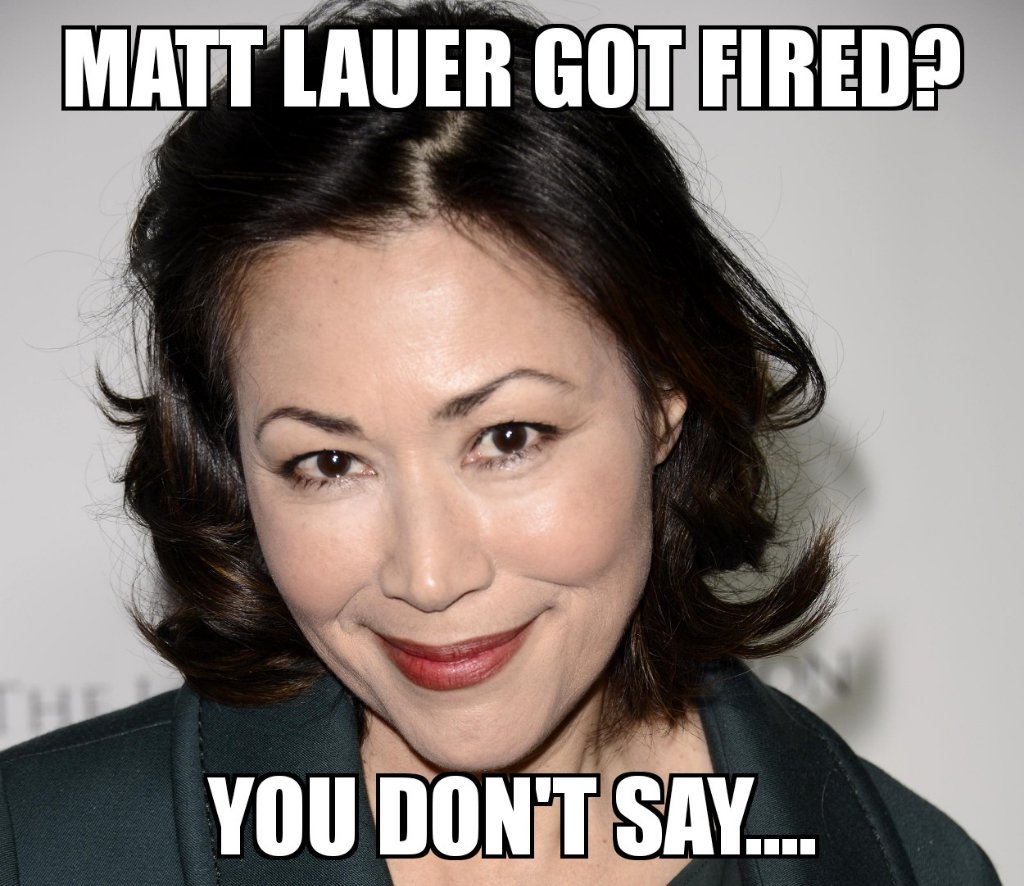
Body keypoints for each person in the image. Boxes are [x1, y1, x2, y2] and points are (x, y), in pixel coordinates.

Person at [0, 1, 999, 883]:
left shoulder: (915, 869)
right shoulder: (39, 848)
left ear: (665, 395)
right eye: (329, 463)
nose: (430, 577)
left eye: (508, 437)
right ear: (231, 462)